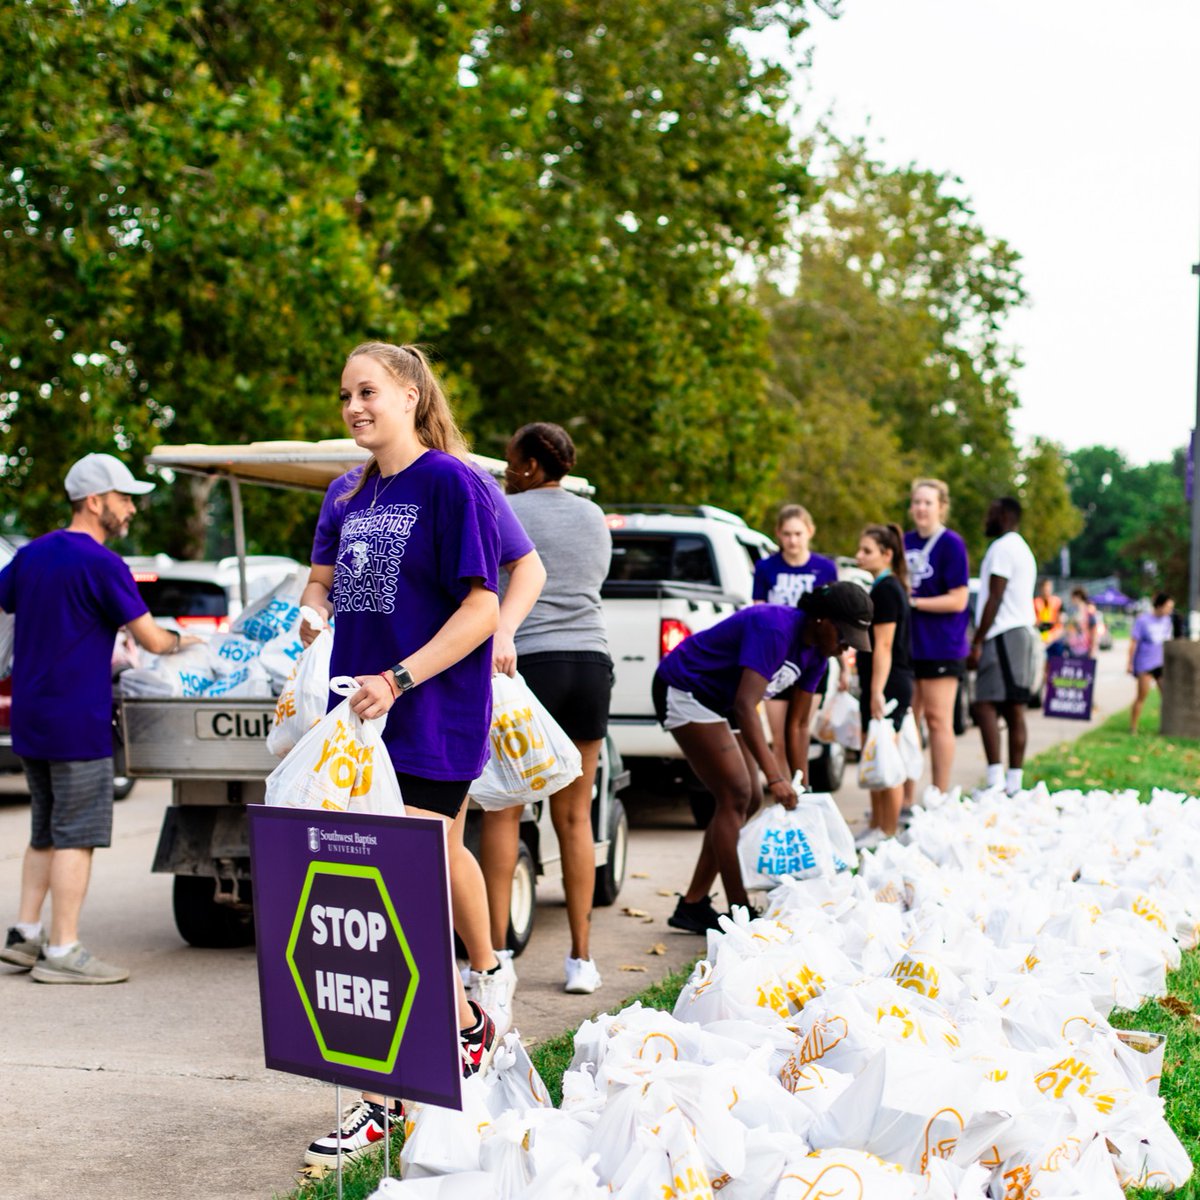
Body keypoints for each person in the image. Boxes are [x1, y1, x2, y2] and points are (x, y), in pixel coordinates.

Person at [297, 342, 502, 1167]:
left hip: (435, 719)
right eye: (344, 393)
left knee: (393, 900)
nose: (354, 406)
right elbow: (326, 583)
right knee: (383, 899)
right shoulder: (351, 492)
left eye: (369, 391)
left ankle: (384, 1101)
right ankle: (463, 1030)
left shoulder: (451, 482)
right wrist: (315, 614)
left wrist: (402, 675)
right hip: (363, 724)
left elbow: (485, 606)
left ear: (412, 395)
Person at [0, 453, 199, 984]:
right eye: (124, 498)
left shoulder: (30, 556)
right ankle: (64, 950)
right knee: (77, 835)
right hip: (77, 722)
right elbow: (153, 639)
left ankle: (24, 936)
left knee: (44, 829)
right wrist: (190, 641)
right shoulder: (102, 563)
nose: (131, 508)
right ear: (95, 501)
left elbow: (9, 606)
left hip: (31, 718)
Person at [479, 423, 613, 995]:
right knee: (576, 817)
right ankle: (581, 959)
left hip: (526, 667)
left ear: (533, 465)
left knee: (504, 810)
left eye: (512, 461)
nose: (507, 470)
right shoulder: (595, 516)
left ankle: (499, 954)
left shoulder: (508, 510)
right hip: (590, 665)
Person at [655, 583, 872, 932]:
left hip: (722, 702)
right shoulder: (774, 628)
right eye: (843, 636)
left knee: (748, 797)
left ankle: (693, 904)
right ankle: (740, 913)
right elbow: (746, 705)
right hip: (685, 687)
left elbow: (799, 725)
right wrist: (775, 777)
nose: (844, 647)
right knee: (737, 794)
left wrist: (802, 786)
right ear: (821, 619)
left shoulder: (819, 654)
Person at [753, 504, 840, 783]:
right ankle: (782, 790)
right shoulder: (766, 568)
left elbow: (835, 618)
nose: (792, 540)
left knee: (800, 730)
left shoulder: (824, 568)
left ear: (810, 532)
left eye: (798, 533)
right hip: (777, 657)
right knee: (779, 737)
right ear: (778, 534)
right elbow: (759, 610)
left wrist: (844, 668)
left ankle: (802, 788)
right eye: (787, 534)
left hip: (812, 658)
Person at [904, 479, 970, 800]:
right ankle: (904, 799)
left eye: (927, 502)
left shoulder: (951, 544)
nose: (920, 508)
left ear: (941, 506)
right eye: (916, 502)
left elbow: (958, 599)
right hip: (908, 645)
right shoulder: (903, 542)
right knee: (906, 721)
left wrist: (915, 603)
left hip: (941, 644)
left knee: (937, 719)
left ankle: (938, 795)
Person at [969, 497, 1038, 797]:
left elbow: (994, 598)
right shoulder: (1019, 547)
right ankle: (1013, 783)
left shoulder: (1003, 548)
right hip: (1017, 633)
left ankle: (997, 780)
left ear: (1005, 515)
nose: (986, 518)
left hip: (1004, 633)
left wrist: (977, 640)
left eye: (990, 512)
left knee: (984, 704)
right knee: (1013, 709)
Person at [855, 524, 914, 844]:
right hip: (877, 683)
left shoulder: (888, 590)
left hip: (889, 684)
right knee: (873, 757)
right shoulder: (883, 587)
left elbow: (885, 645)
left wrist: (877, 690)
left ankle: (889, 832)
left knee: (887, 761)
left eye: (867, 550)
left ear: (886, 554)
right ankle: (877, 825)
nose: (858, 555)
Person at [1129, 592, 1174, 734]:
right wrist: (1130, 663)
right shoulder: (1143, 620)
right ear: (1159, 606)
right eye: (1168, 607)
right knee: (1142, 695)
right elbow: (1134, 643)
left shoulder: (1167, 621)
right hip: (1145, 663)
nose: (1170, 610)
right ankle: (1133, 728)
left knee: (1167, 696)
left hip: (1160, 663)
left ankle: (1166, 727)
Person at [1034, 579, 1064, 646]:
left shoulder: (1057, 601)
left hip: (1054, 637)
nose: (1047, 590)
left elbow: (1060, 621)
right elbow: (1035, 622)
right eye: (1045, 588)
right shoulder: (1035, 602)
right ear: (1041, 589)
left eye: (1049, 588)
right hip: (1040, 636)